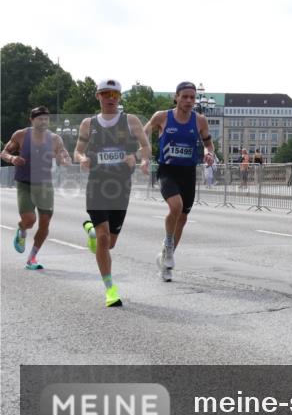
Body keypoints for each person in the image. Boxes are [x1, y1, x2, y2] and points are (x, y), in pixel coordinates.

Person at [75, 80, 151, 306]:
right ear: (98, 96)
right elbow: (77, 151)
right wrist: (82, 159)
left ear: (119, 97)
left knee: (110, 243)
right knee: (103, 237)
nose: (111, 98)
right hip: (97, 185)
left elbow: (146, 148)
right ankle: (110, 290)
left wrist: (137, 158)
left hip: (121, 187)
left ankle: (89, 230)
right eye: (106, 93)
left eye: (115, 94)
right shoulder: (88, 124)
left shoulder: (131, 121)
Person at [144, 82, 216, 282]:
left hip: (188, 173)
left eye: (192, 97)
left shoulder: (200, 120)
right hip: (168, 170)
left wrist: (209, 154)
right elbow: (143, 135)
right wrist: (143, 155)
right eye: (184, 97)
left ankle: (167, 260)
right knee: (176, 206)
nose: (189, 101)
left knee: (182, 219)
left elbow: (208, 144)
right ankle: (167, 245)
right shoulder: (162, 116)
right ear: (176, 97)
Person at [1, 106, 71, 270]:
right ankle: (22, 230)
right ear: (31, 120)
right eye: (40, 118)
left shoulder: (55, 139)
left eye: (46, 118)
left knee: (45, 223)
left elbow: (65, 156)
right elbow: (3, 152)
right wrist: (12, 158)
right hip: (24, 184)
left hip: (45, 185)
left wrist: (64, 160)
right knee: (30, 220)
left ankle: (32, 257)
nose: (44, 121)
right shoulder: (21, 135)